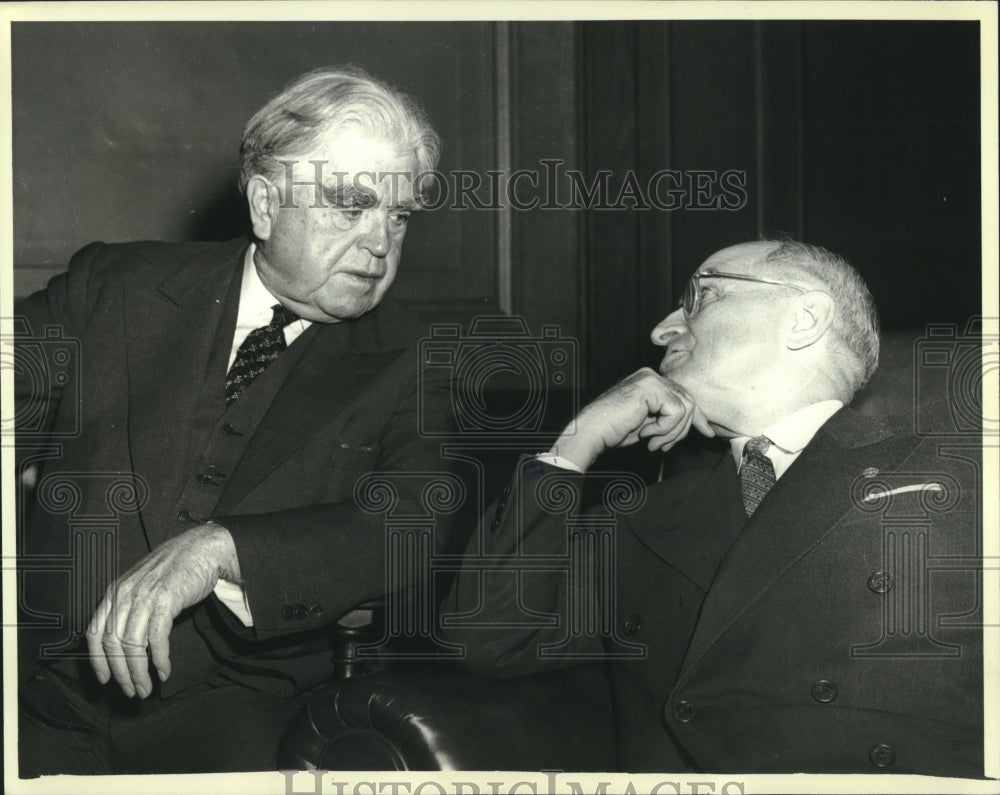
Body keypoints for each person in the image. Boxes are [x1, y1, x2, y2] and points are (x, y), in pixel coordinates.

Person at [16, 66, 459, 775]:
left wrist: (220, 549)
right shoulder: (115, 287)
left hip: (234, 708)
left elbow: (413, 522)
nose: (381, 245)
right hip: (43, 690)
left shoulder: (413, 361)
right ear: (264, 203)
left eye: (399, 215)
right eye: (351, 206)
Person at [442, 240, 983, 776]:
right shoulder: (644, 519)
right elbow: (490, 641)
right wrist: (574, 445)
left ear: (805, 318)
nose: (661, 330)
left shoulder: (958, 463)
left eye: (701, 296)